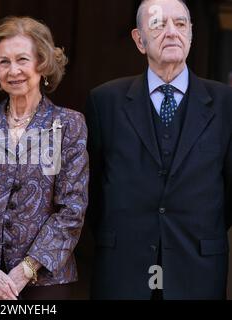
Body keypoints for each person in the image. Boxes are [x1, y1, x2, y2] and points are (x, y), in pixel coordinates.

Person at [86, 0, 232, 299]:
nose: (171, 32)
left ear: (191, 34)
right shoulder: (105, 102)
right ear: (139, 40)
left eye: (180, 24)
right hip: (122, 268)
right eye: (157, 24)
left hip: (198, 268)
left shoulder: (227, 103)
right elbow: (92, 189)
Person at [0, 16, 88, 300]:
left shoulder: (70, 125)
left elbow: (72, 208)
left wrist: (24, 271)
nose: (13, 71)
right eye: (4, 62)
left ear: (42, 63)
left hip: (46, 281)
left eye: (22, 59)